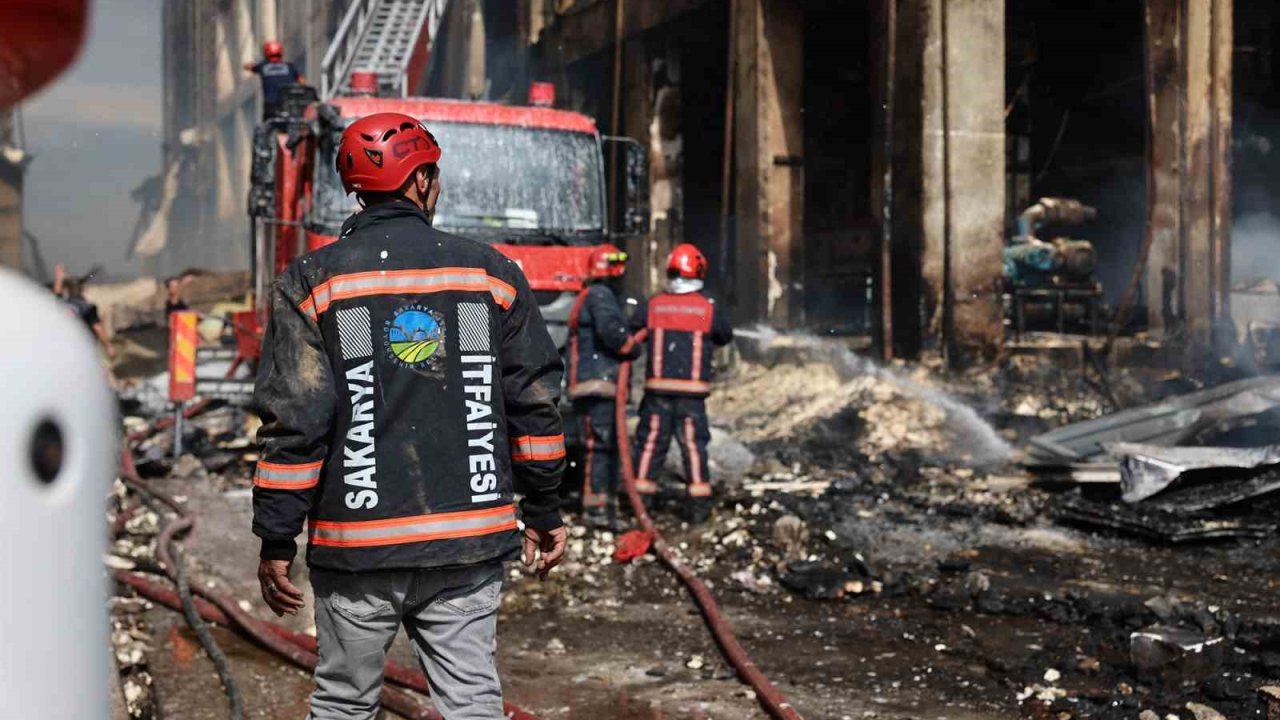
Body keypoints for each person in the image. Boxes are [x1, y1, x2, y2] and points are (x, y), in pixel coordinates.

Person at [250, 112, 568, 720]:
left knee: (343, 703)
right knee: (472, 701)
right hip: (468, 543)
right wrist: (544, 507)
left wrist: (276, 537)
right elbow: (533, 403)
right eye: (434, 173)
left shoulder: (313, 281)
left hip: (357, 545)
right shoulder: (490, 275)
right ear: (421, 180)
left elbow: (296, 421)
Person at [630, 244, 733, 524]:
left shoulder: (654, 305)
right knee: (694, 449)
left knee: (650, 445)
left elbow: (631, 334)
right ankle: (699, 508)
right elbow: (724, 335)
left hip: (657, 394)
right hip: (692, 397)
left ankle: (640, 507)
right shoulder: (707, 307)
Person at [566, 245, 636, 530]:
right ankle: (596, 511)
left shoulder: (590, 294)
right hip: (597, 386)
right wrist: (631, 345)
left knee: (602, 446)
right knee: (602, 447)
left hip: (592, 386)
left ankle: (603, 507)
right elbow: (612, 333)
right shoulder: (600, 295)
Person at [53, 264, 115, 363]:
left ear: (66, 290)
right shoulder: (86, 307)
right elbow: (97, 327)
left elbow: (57, 293)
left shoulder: (62, 305)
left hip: (66, 347)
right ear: (82, 290)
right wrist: (108, 346)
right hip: (84, 346)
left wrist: (59, 276)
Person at [243, 40, 302, 120]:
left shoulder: (263, 66)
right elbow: (301, 81)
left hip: (271, 106)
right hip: (289, 104)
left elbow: (248, 67)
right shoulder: (290, 66)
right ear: (281, 53)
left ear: (266, 54)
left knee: (268, 125)